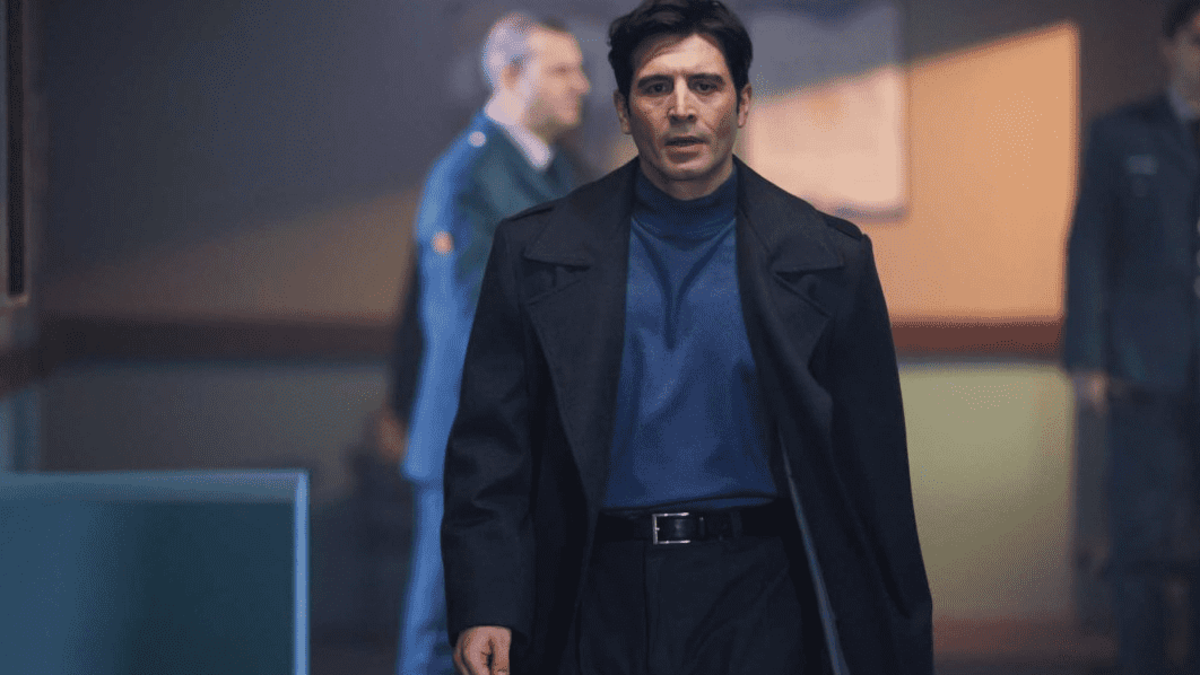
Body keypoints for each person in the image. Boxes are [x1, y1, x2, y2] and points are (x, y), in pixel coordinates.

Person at [441, 1, 933, 673]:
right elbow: (493, 451)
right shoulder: (534, 250)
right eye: (655, 87)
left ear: (743, 102)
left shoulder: (829, 258)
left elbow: (875, 478)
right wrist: (486, 600)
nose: (681, 108)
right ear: (623, 111)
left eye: (705, 85)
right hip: (594, 581)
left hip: (763, 586)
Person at [392, 12, 590, 675]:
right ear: (508, 76)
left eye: (579, 69)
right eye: (560, 70)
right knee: (449, 631)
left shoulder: (557, 171)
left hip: (528, 438)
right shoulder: (470, 175)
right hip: (473, 445)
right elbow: (472, 320)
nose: (581, 85)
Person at [1063, 1, 1200, 671]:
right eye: (1198, 41)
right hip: (1145, 368)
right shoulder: (1121, 135)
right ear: (1170, 46)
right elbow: (1088, 247)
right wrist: (1087, 358)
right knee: (1141, 541)